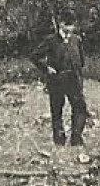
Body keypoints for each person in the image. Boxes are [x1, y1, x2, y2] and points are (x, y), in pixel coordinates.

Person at [29, 9, 89, 146]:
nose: (70, 28)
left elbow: (81, 60)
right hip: (57, 79)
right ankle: (59, 138)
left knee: (79, 107)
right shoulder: (51, 41)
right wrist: (46, 68)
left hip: (74, 79)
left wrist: (78, 74)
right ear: (60, 24)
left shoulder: (76, 40)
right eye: (67, 25)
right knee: (57, 109)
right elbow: (34, 56)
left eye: (72, 25)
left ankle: (76, 136)